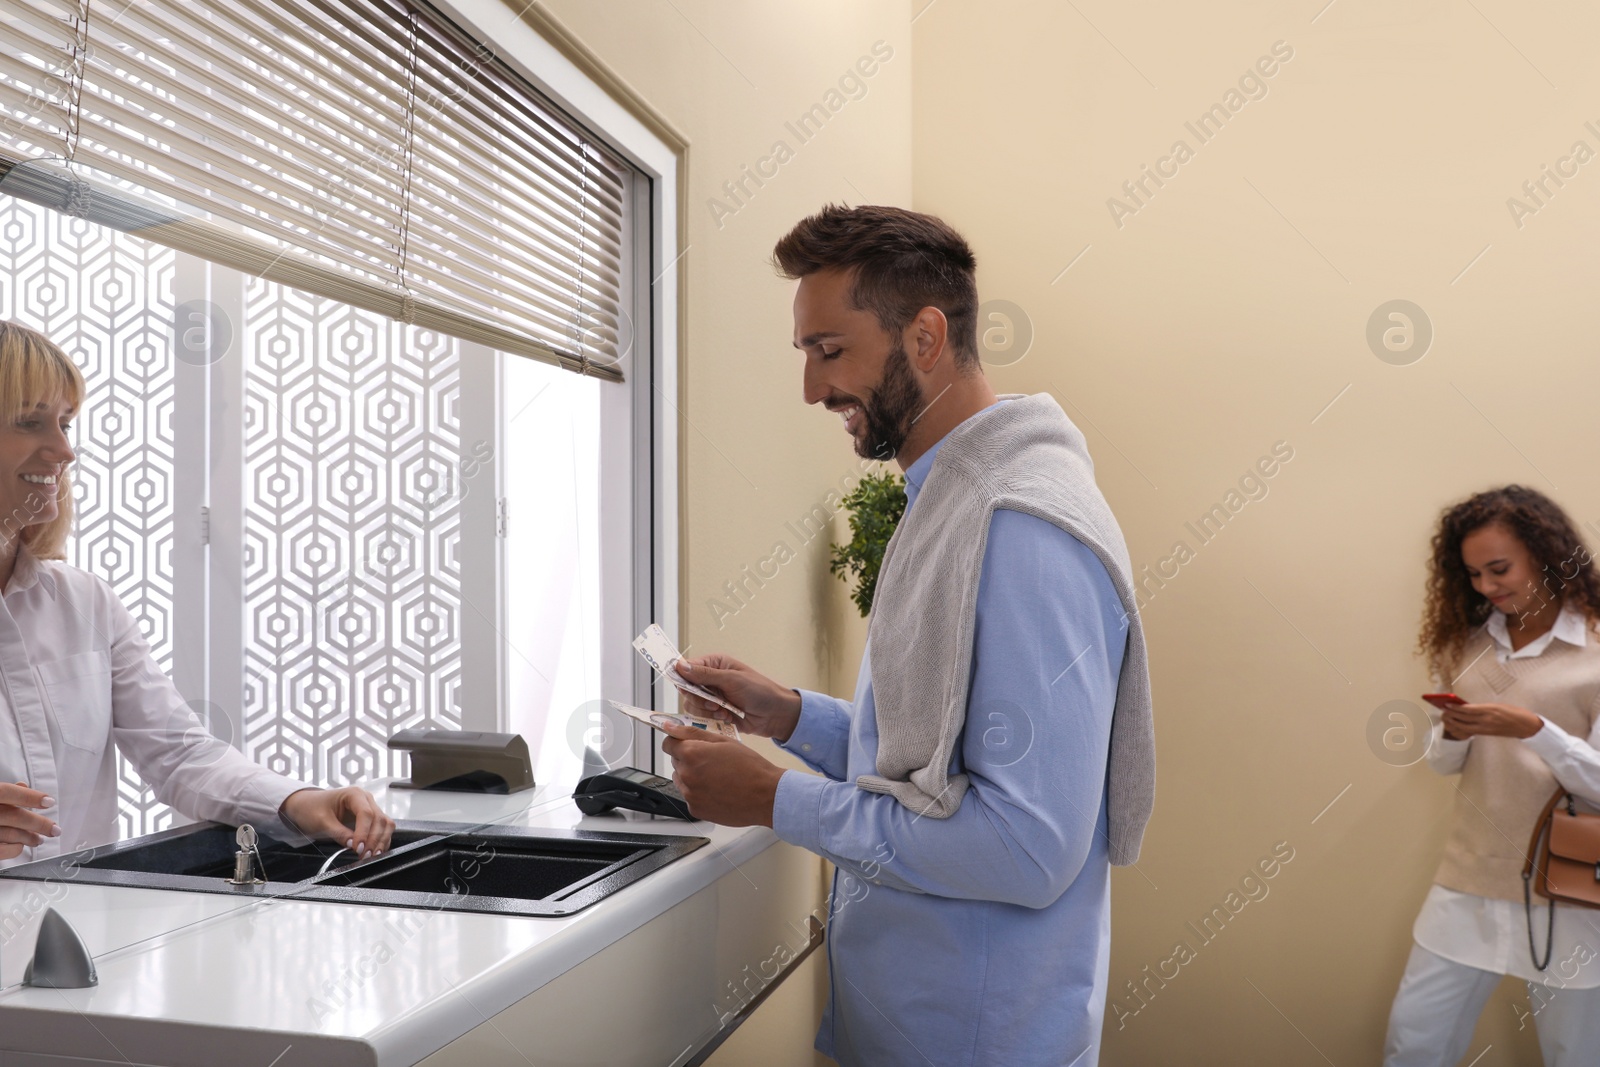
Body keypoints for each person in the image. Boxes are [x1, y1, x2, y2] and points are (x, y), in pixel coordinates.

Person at [658, 205, 1156, 1066]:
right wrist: (789, 716)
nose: (813, 389)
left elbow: (1026, 846)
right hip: (909, 1023)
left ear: (925, 336)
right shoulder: (951, 497)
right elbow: (941, 755)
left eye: (830, 351)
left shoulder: (1023, 527)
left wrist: (778, 800)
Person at [0, 321, 393, 867]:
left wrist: (298, 801)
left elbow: (178, 754)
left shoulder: (84, 603)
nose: (64, 450)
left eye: (66, 424)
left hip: (76, 933)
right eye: (30, 422)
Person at [1384, 485, 1600, 1065]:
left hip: (1572, 891)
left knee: (1574, 1054)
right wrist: (1453, 731)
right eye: (1473, 573)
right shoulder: (1467, 645)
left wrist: (1533, 729)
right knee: (1414, 1043)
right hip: (1468, 881)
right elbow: (1443, 764)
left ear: (1545, 553)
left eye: (1499, 568)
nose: (1486, 587)